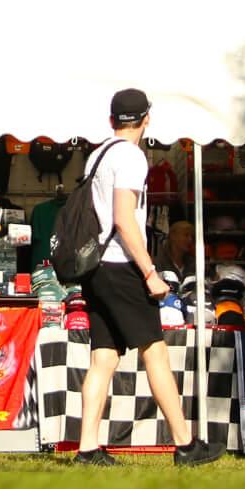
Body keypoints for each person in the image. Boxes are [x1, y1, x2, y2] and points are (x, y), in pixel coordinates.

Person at [71, 89, 223, 468]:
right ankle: (186, 445)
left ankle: (88, 448)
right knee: (155, 350)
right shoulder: (131, 157)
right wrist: (150, 271)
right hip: (122, 265)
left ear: (111, 121)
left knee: (103, 357)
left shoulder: (98, 154)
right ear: (147, 119)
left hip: (95, 267)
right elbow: (124, 218)